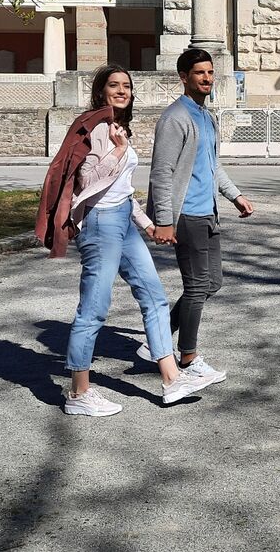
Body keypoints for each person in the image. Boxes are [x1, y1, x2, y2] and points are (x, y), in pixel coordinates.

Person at [35, 65, 218, 416]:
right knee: (94, 309)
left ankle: (171, 379)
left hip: (122, 219)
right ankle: (78, 393)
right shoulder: (96, 127)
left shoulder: (119, 127)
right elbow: (87, 182)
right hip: (99, 225)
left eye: (127, 86)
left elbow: (121, 191)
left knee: (154, 296)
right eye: (114, 85)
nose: (122, 90)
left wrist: (147, 225)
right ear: (101, 91)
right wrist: (118, 153)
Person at [143, 48, 254, 383]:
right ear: (183, 77)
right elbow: (162, 172)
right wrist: (163, 219)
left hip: (209, 213)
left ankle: (157, 340)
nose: (207, 78)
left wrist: (235, 196)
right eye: (199, 73)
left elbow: (212, 165)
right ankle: (188, 357)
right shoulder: (175, 118)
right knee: (196, 286)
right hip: (186, 215)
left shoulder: (206, 116)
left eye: (210, 73)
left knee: (213, 282)